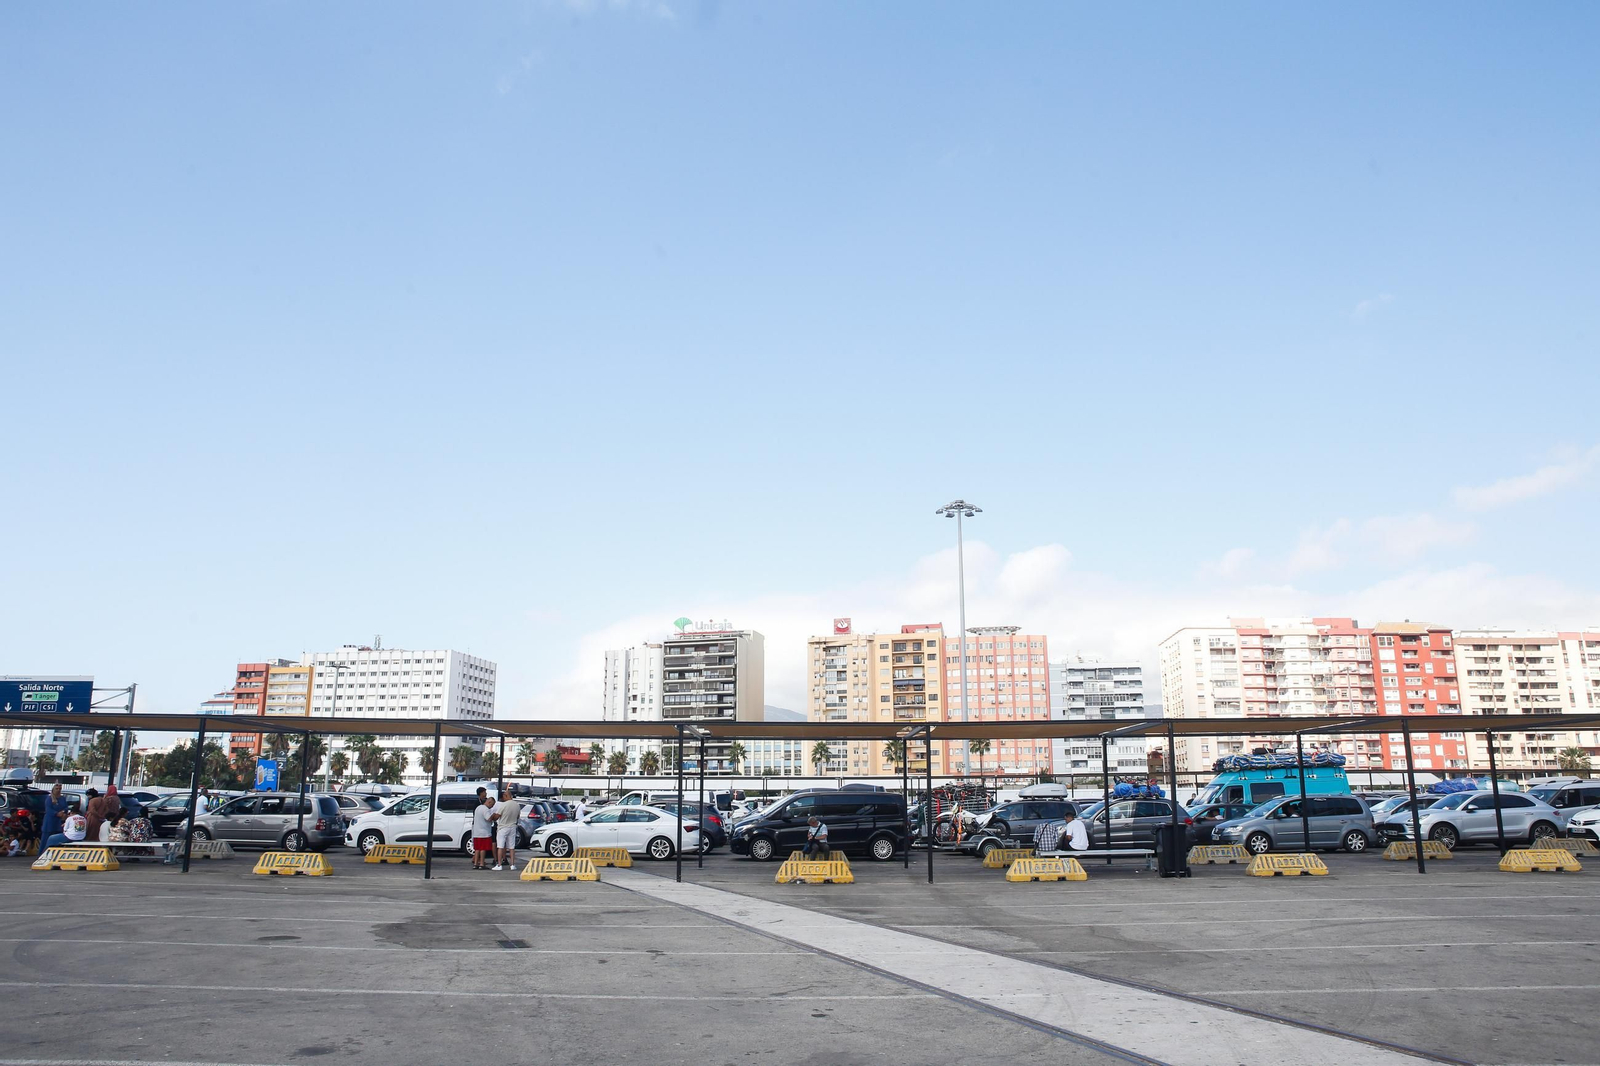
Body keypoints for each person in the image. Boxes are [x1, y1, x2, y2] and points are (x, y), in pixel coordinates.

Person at [490, 788, 522, 871]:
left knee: (500, 846)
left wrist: (493, 816)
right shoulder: (517, 805)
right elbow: (518, 816)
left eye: (504, 795)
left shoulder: (503, 805)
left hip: (503, 827)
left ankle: (499, 864)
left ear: (506, 796)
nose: (503, 797)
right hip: (513, 827)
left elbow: (497, 816)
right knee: (511, 847)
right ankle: (512, 865)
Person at [471, 788, 496, 870]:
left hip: (476, 832)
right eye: (491, 805)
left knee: (477, 849)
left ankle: (475, 864)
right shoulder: (485, 809)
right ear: (489, 802)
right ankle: (482, 864)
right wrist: (494, 815)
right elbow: (488, 818)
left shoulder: (478, 808)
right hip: (484, 833)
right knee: (483, 849)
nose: (491, 807)